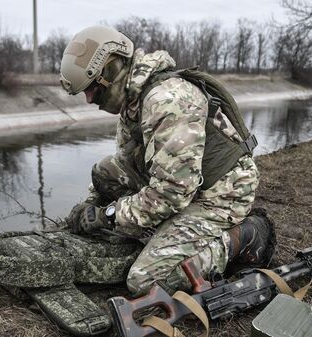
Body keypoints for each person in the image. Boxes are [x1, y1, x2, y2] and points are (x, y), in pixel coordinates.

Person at [60, 25, 275, 297]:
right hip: (185, 184)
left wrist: (108, 216)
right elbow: (125, 162)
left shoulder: (168, 100)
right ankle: (161, 232)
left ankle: (245, 236)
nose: (89, 99)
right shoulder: (134, 101)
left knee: (146, 282)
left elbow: (172, 193)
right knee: (104, 171)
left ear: (112, 71)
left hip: (220, 194)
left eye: (91, 88)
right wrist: (90, 204)